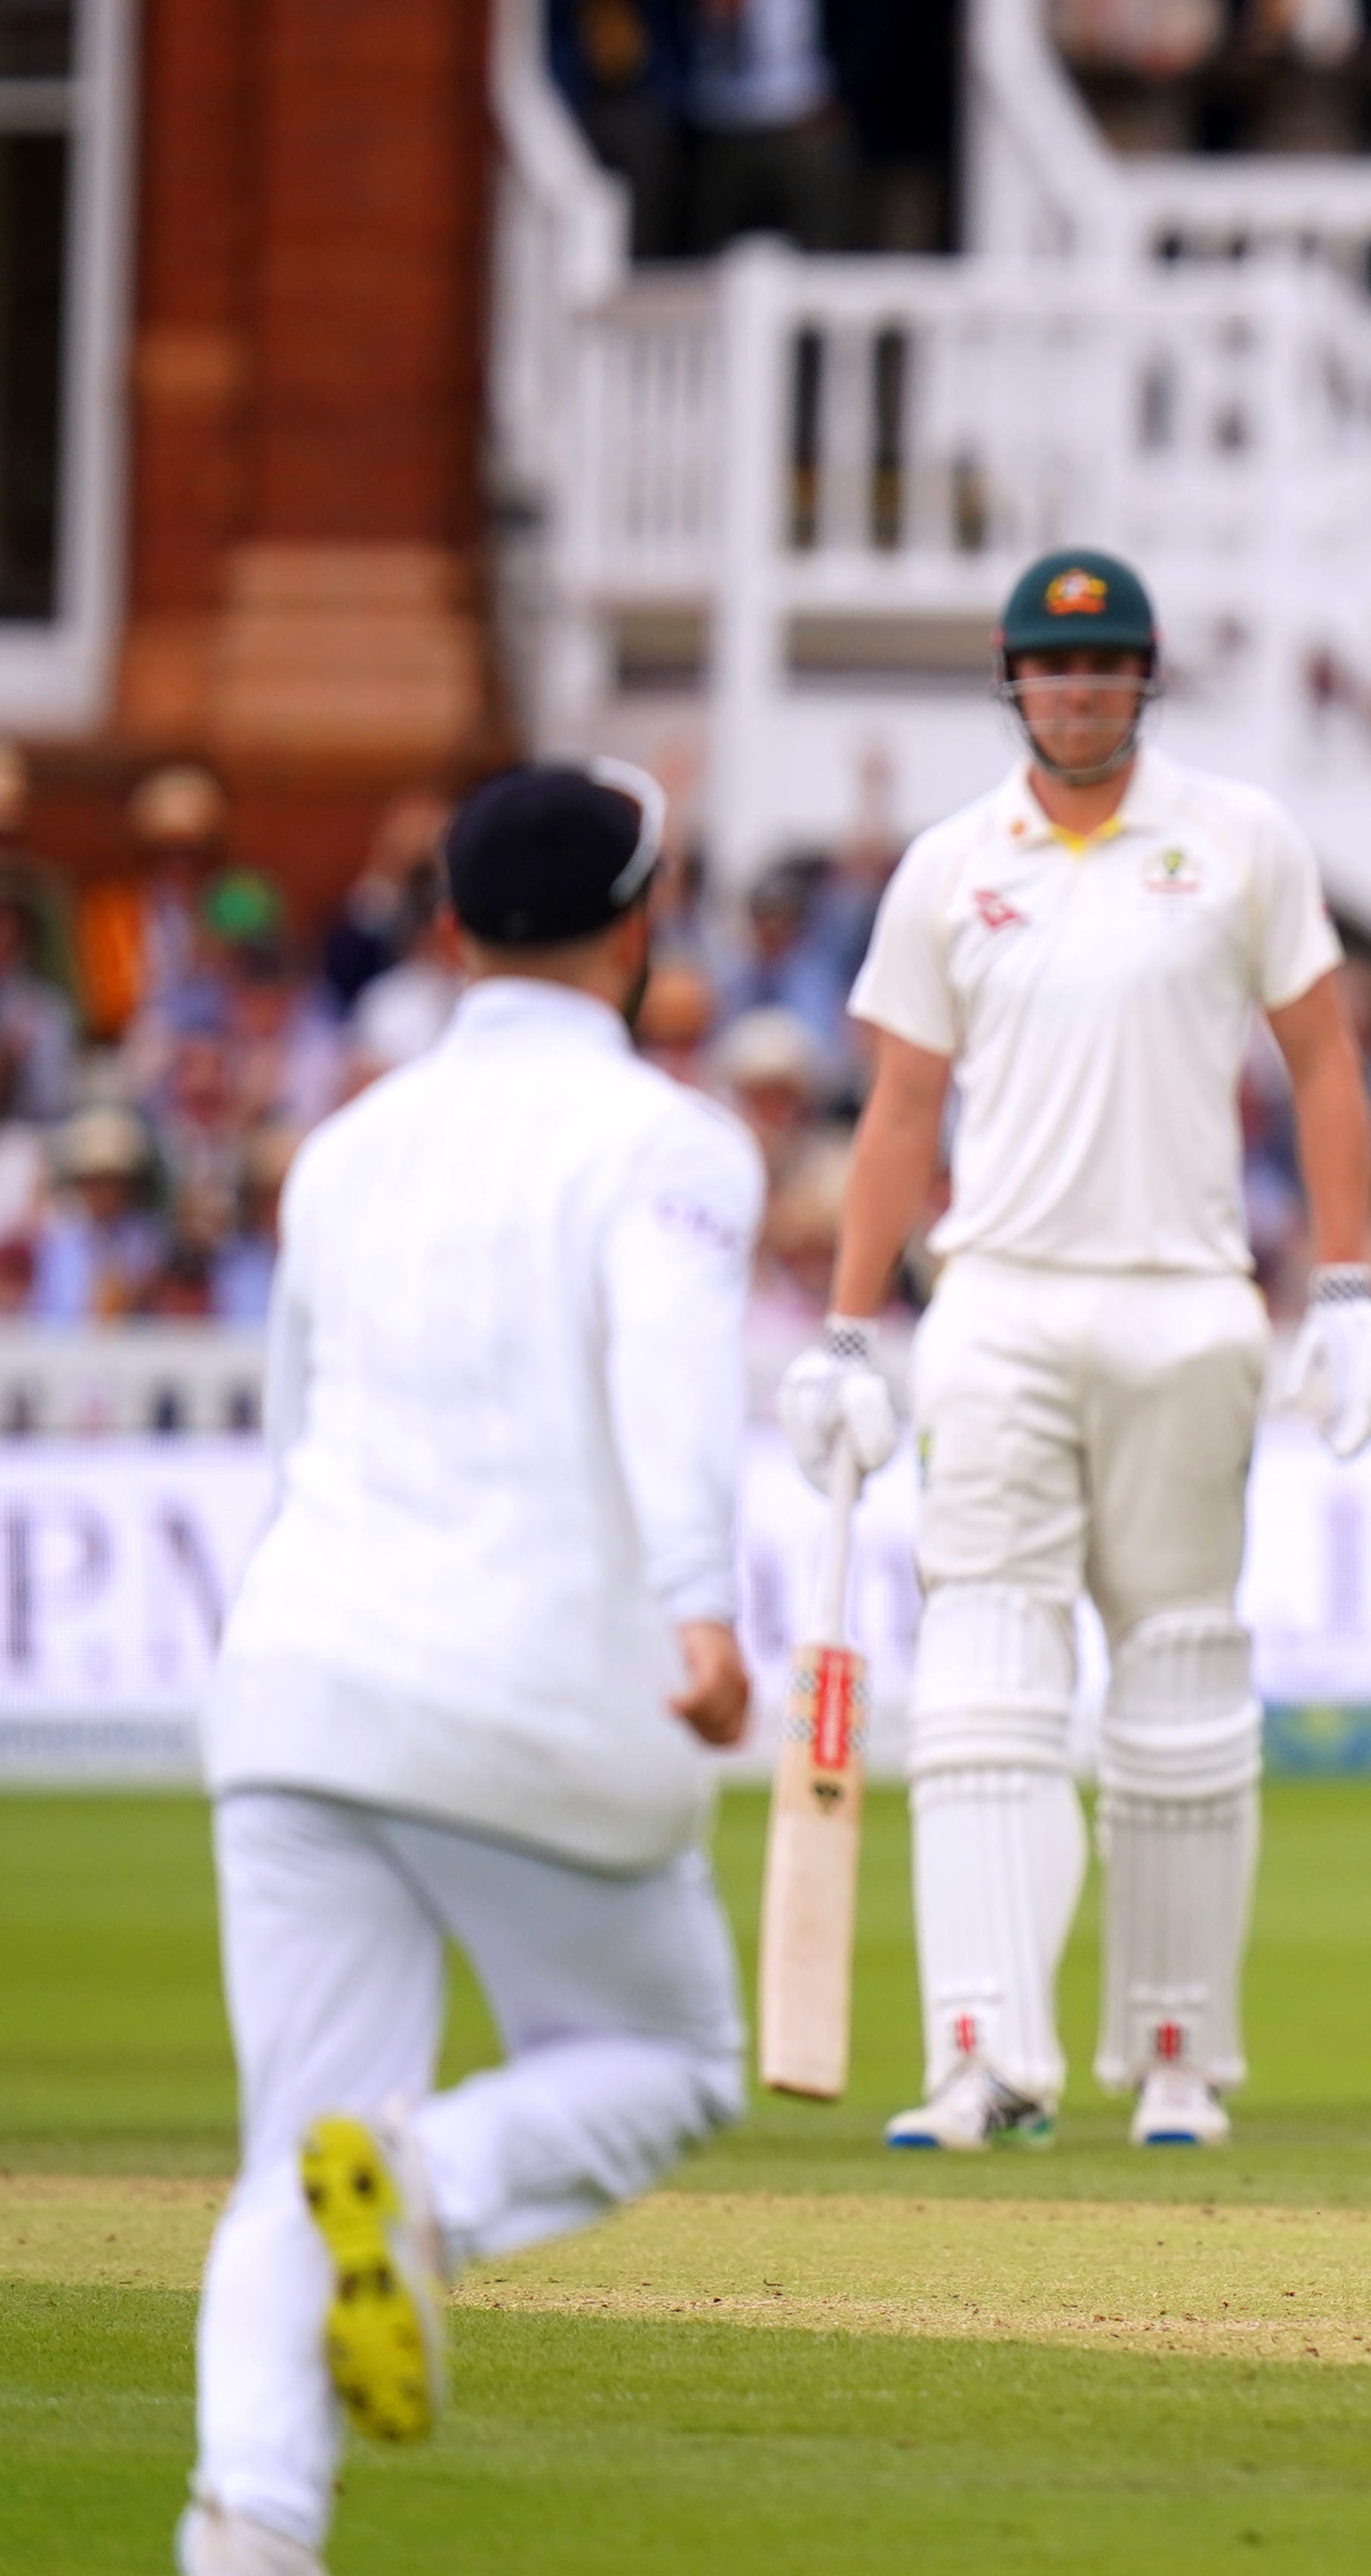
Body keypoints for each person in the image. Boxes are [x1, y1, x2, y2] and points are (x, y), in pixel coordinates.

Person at [175, 765, 761, 2576]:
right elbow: (669, 1375)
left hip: (297, 1690)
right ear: (643, 931)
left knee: (296, 2154)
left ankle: (250, 2529)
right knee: (668, 2053)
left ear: (446, 932)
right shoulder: (673, 1141)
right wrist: (703, 1610)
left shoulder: (341, 1147)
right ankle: (425, 2190)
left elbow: (290, 1439)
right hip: (531, 1700)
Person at [776, 547, 1371, 2156]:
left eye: (1107, 666)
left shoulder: (1240, 837)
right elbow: (903, 1110)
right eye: (1053, 670)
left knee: (1182, 1681)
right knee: (986, 1682)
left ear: (1144, 679)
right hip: (995, 1302)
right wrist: (849, 1328)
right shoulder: (947, 866)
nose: (1079, 692)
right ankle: (986, 2056)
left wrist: (1346, 1283)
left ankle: (1178, 2056)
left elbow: (1325, 1065)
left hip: (1187, 1301)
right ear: (1014, 685)